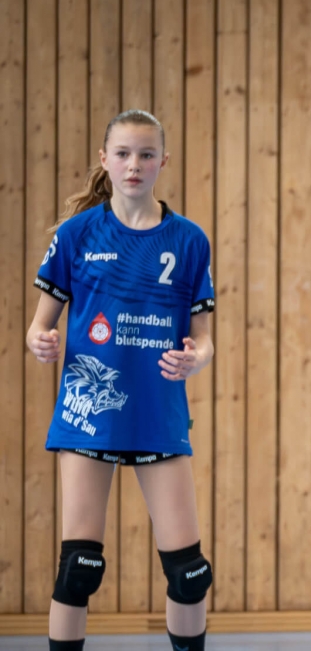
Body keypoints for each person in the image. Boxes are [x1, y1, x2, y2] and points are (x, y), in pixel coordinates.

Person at [27, 109, 216, 651]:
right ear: (105, 160)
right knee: (78, 570)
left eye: (146, 154)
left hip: (158, 414)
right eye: (124, 154)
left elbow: (203, 338)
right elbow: (38, 327)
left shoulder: (189, 240)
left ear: (163, 162)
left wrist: (197, 358)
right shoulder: (76, 235)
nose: (135, 164)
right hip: (90, 415)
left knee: (189, 574)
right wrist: (40, 341)